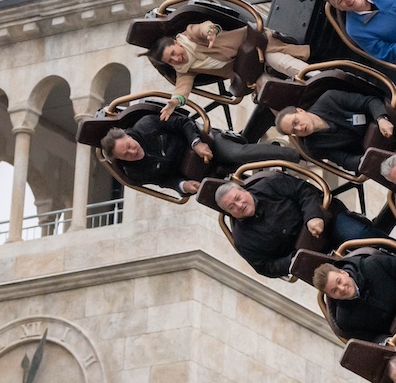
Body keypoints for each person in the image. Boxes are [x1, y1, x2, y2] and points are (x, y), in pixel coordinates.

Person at [213, 174, 380, 279]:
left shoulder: (270, 183)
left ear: (244, 191)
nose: (239, 205)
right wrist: (293, 259)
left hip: (329, 223)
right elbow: (264, 266)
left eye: (237, 198)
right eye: (231, 207)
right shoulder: (242, 239)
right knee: (351, 280)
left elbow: (304, 191)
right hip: (311, 257)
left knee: (361, 235)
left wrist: (312, 217)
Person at [101, 116, 293, 194]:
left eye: (129, 145)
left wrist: (197, 143)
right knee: (225, 195)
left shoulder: (146, 125)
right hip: (197, 172)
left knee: (238, 154)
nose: (132, 152)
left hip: (205, 144)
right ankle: (265, 113)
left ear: (127, 134)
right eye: (126, 154)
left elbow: (183, 123)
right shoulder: (134, 171)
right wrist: (182, 185)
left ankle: (295, 155)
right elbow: (163, 180)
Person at [156, 20, 311, 113]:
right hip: (251, 72)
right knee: (267, 93)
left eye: (174, 53)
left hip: (255, 46)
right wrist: (174, 102)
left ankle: (315, 75)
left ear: (176, 43)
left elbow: (203, 28)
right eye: (171, 60)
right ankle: (301, 109)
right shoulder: (185, 70)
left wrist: (210, 31)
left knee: (278, 60)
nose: (177, 59)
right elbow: (182, 88)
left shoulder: (190, 36)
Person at [313, 246, 396, 342]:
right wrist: (385, 340)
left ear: (344, 273)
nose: (341, 289)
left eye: (339, 281)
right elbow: (371, 339)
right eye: (334, 291)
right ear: (331, 296)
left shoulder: (372, 265)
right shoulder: (345, 320)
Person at [275, 88, 395, 174]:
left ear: (300, 111)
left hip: (387, 123)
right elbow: (346, 161)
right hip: (376, 152)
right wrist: (371, 159)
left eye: (296, 122)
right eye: (294, 131)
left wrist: (381, 119)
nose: (300, 128)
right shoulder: (314, 147)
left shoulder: (329, 99)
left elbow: (369, 102)